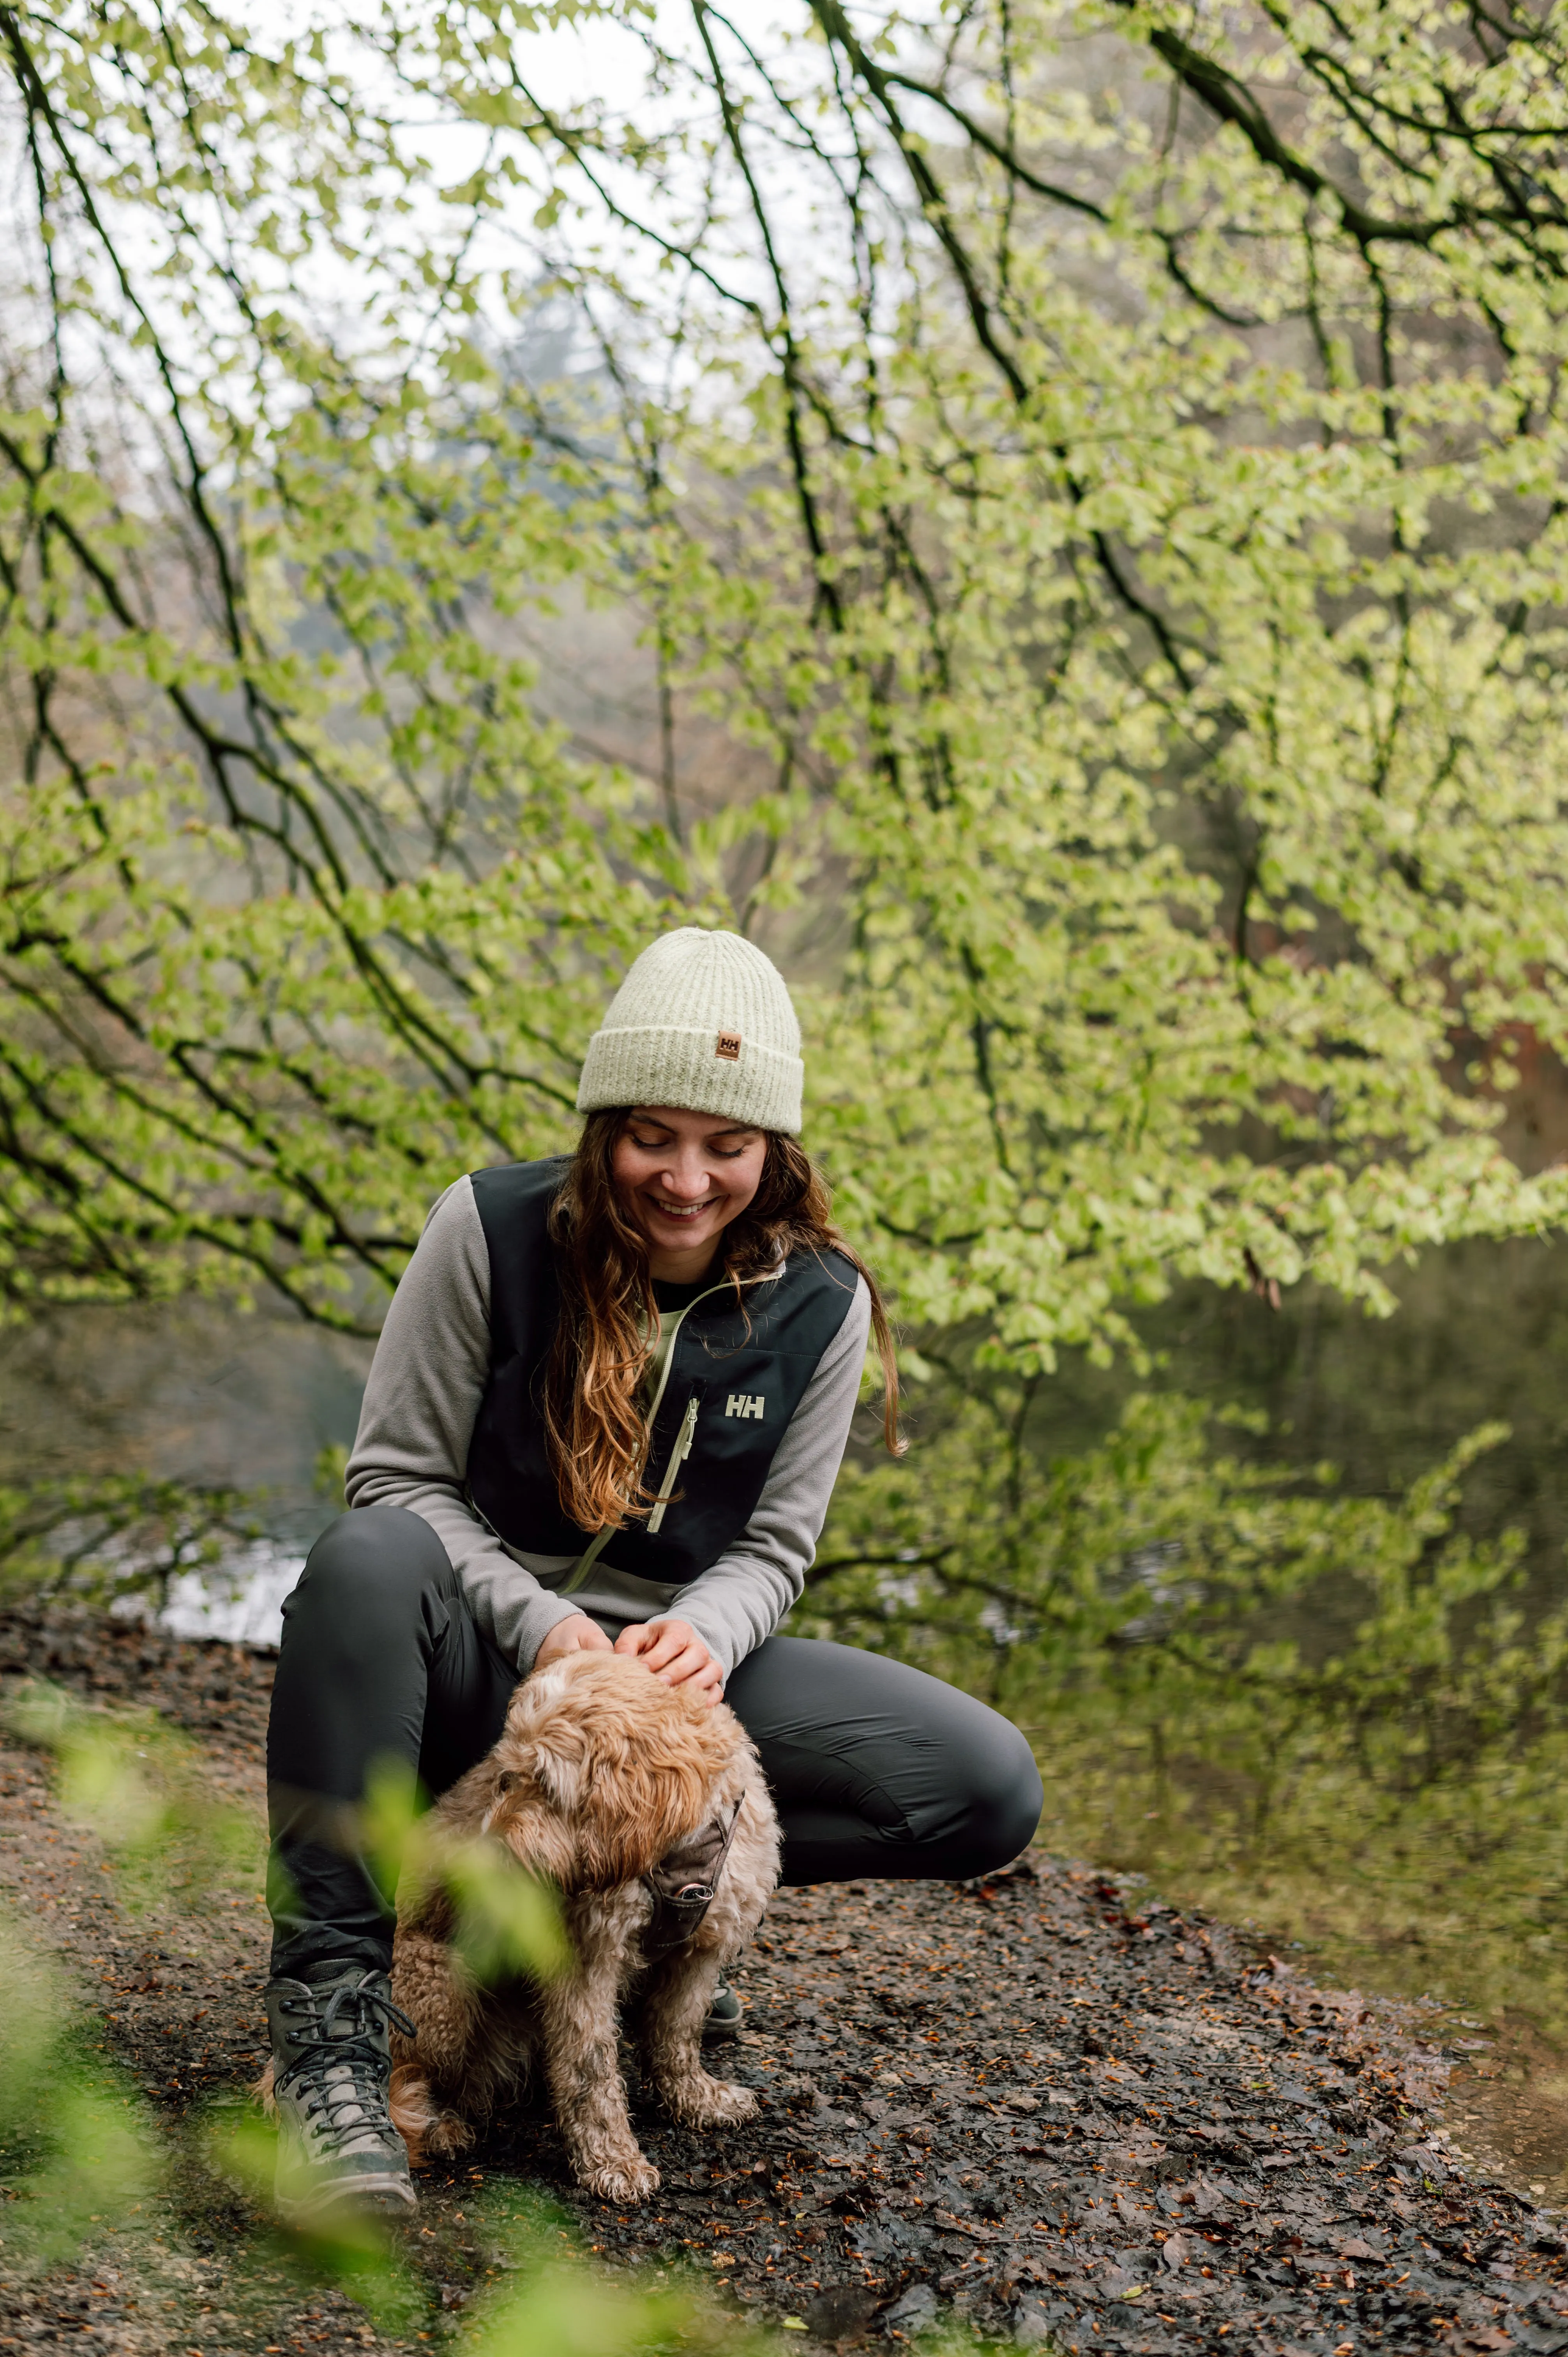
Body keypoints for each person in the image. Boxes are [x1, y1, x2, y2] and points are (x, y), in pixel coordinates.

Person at [261, 926, 1044, 2224]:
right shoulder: (490, 1231)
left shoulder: (824, 1302)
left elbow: (776, 1549)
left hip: (675, 1685)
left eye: (726, 1148)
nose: (686, 1180)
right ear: (602, 1128)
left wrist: (709, 1632)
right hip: (477, 1666)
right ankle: (335, 2040)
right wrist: (547, 1623)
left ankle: (661, 1917)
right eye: (653, 1138)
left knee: (980, 1789)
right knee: (360, 1559)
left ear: (775, 1153)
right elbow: (393, 1480)